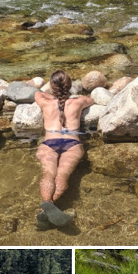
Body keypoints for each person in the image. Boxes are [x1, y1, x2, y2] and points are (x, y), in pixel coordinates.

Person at [34, 70, 93, 228]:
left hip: (49, 142)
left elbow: (38, 93)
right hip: (72, 143)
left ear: (53, 87)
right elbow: (91, 99)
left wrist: (52, 93)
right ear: (70, 86)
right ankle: (47, 208)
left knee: (48, 173)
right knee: (62, 175)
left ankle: (46, 204)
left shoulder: (44, 101)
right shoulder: (79, 102)